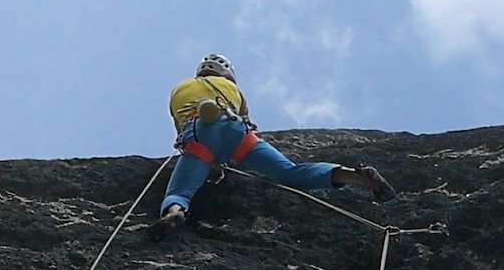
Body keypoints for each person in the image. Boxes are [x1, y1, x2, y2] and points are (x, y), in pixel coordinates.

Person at [157, 55, 393, 228]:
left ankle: (175, 212)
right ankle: (355, 175)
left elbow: (181, 128)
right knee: (287, 172)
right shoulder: (232, 88)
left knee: (181, 191)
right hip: (236, 132)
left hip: (199, 136)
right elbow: (245, 117)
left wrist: (212, 159)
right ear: (227, 73)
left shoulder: (180, 88)